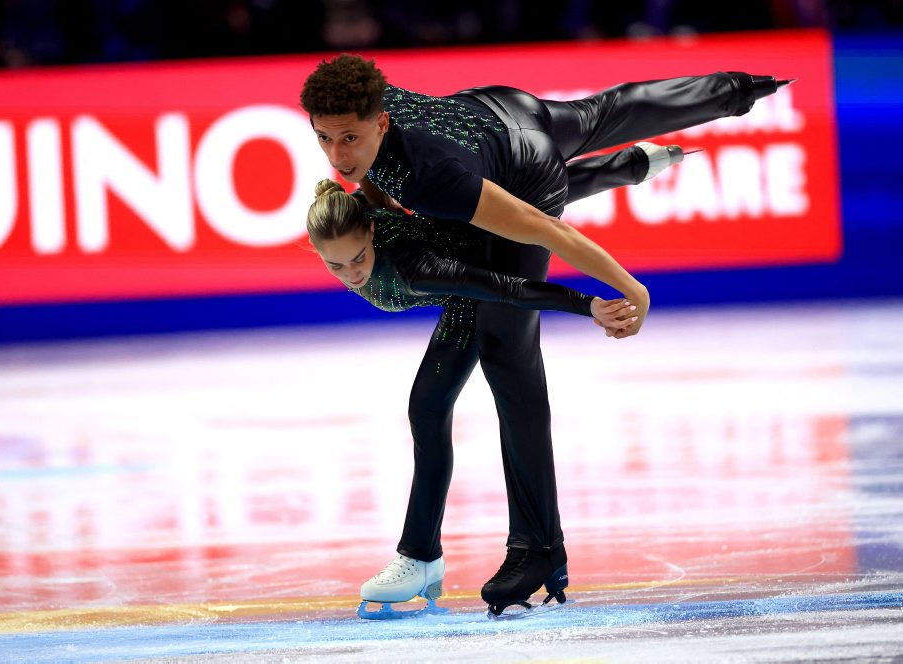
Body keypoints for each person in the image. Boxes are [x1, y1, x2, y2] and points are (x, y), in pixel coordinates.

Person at [300, 55, 792, 617]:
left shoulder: (429, 180)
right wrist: (734, 92)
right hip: (498, 108)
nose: (338, 155)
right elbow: (378, 174)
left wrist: (628, 287)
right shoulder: (365, 101)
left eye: (349, 138)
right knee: (608, 109)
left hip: (523, 171)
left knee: (505, 350)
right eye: (324, 138)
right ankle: (737, 90)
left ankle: (538, 549)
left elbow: (542, 227)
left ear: (381, 122)